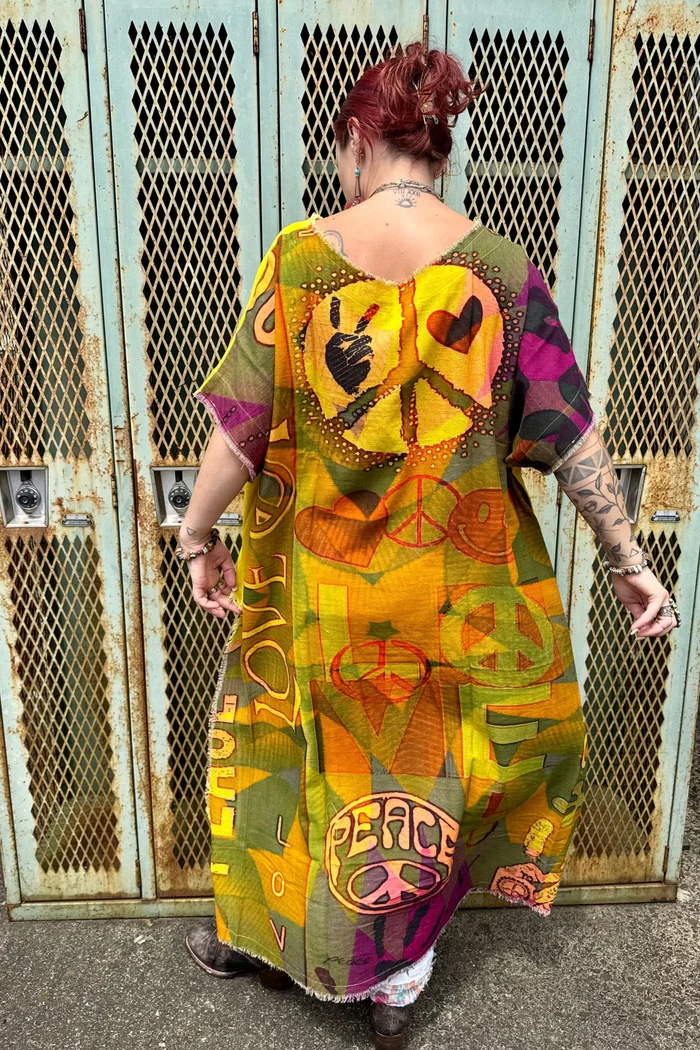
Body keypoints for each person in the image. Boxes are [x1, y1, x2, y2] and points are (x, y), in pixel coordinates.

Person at [177, 41, 678, 1050]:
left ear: (358, 141)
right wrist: (629, 563)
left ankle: (276, 943)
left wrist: (196, 536)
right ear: (438, 151)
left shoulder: (300, 260)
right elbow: (569, 434)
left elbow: (239, 429)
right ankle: (395, 990)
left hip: (317, 591)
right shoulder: (501, 271)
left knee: (289, 756)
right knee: (425, 783)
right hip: (451, 594)